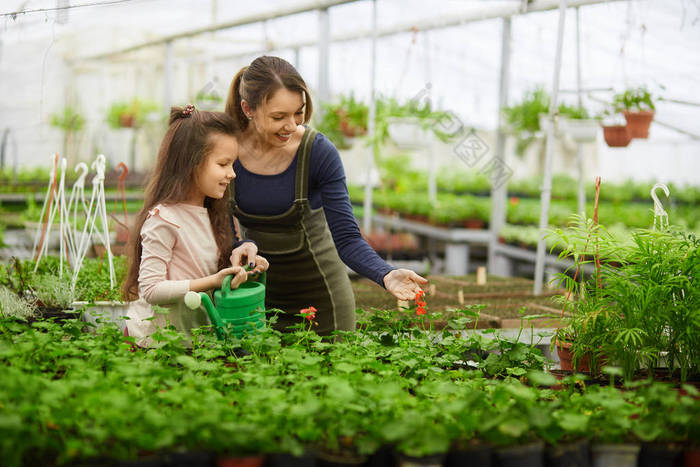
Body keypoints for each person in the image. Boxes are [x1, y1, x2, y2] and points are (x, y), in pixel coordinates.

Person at [225, 55, 428, 335]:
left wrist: (386, 273)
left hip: (321, 301)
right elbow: (218, 226)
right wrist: (238, 245)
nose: (292, 125)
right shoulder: (225, 150)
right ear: (248, 109)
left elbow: (347, 238)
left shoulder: (317, 152)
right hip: (255, 298)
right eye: (278, 117)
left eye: (298, 112)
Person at [122, 104, 268, 346]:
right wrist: (212, 281)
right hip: (157, 343)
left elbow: (214, 272)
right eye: (223, 164)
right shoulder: (164, 219)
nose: (232, 174)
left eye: (233, 164)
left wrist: (244, 269)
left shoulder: (217, 215)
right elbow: (150, 289)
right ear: (191, 163)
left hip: (195, 340)